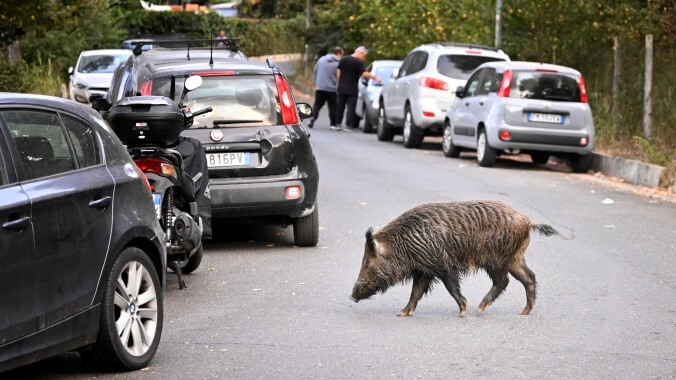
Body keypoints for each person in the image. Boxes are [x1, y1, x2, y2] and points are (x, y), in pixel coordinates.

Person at [335, 46, 381, 131]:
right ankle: (348, 125)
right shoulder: (357, 62)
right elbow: (364, 74)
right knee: (351, 108)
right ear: (360, 53)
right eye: (364, 56)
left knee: (340, 106)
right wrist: (375, 78)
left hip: (341, 87)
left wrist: (339, 82)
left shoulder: (344, 59)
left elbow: (338, 71)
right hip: (352, 89)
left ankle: (337, 124)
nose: (364, 58)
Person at [308, 46, 343, 129]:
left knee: (317, 104)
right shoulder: (339, 63)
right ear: (339, 54)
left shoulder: (321, 59)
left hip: (320, 87)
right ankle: (333, 124)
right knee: (333, 106)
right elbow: (339, 76)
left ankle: (313, 117)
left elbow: (315, 70)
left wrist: (315, 81)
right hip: (332, 89)